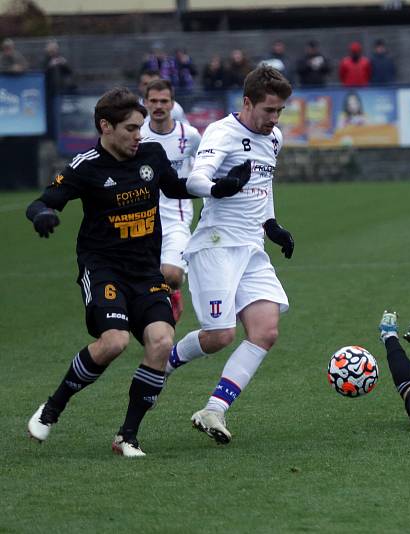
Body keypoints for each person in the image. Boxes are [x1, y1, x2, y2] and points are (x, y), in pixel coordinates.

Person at [24, 87, 249, 457]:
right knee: (114, 342)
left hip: (145, 269)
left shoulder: (151, 154)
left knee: (161, 342)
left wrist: (220, 188)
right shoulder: (86, 166)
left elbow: (175, 187)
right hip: (104, 269)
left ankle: (127, 435)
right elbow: (43, 201)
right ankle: (53, 407)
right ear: (105, 126)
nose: (138, 135)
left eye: (140, 127)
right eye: (130, 128)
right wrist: (43, 216)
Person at [165, 66, 295, 445]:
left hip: (252, 247)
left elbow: (263, 184)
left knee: (266, 330)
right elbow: (195, 179)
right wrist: (218, 188)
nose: (274, 119)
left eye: (280, 112)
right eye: (268, 110)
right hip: (217, 244)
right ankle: (163, 365)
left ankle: (213, 410)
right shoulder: (222, 132)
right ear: (247, 102)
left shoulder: (274, 139)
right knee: (221, 336)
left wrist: (272, 224)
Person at [141, 78, 202, 319]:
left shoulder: (190, 135)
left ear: (172, 103)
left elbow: (204, 167)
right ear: (145, 103)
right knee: (144, 281)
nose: (158, 106)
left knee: (172, 275)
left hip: (176, 218)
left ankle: (173, 293)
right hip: (141, 218)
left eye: (163, 101)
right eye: (153, 101)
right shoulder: (138, 134)